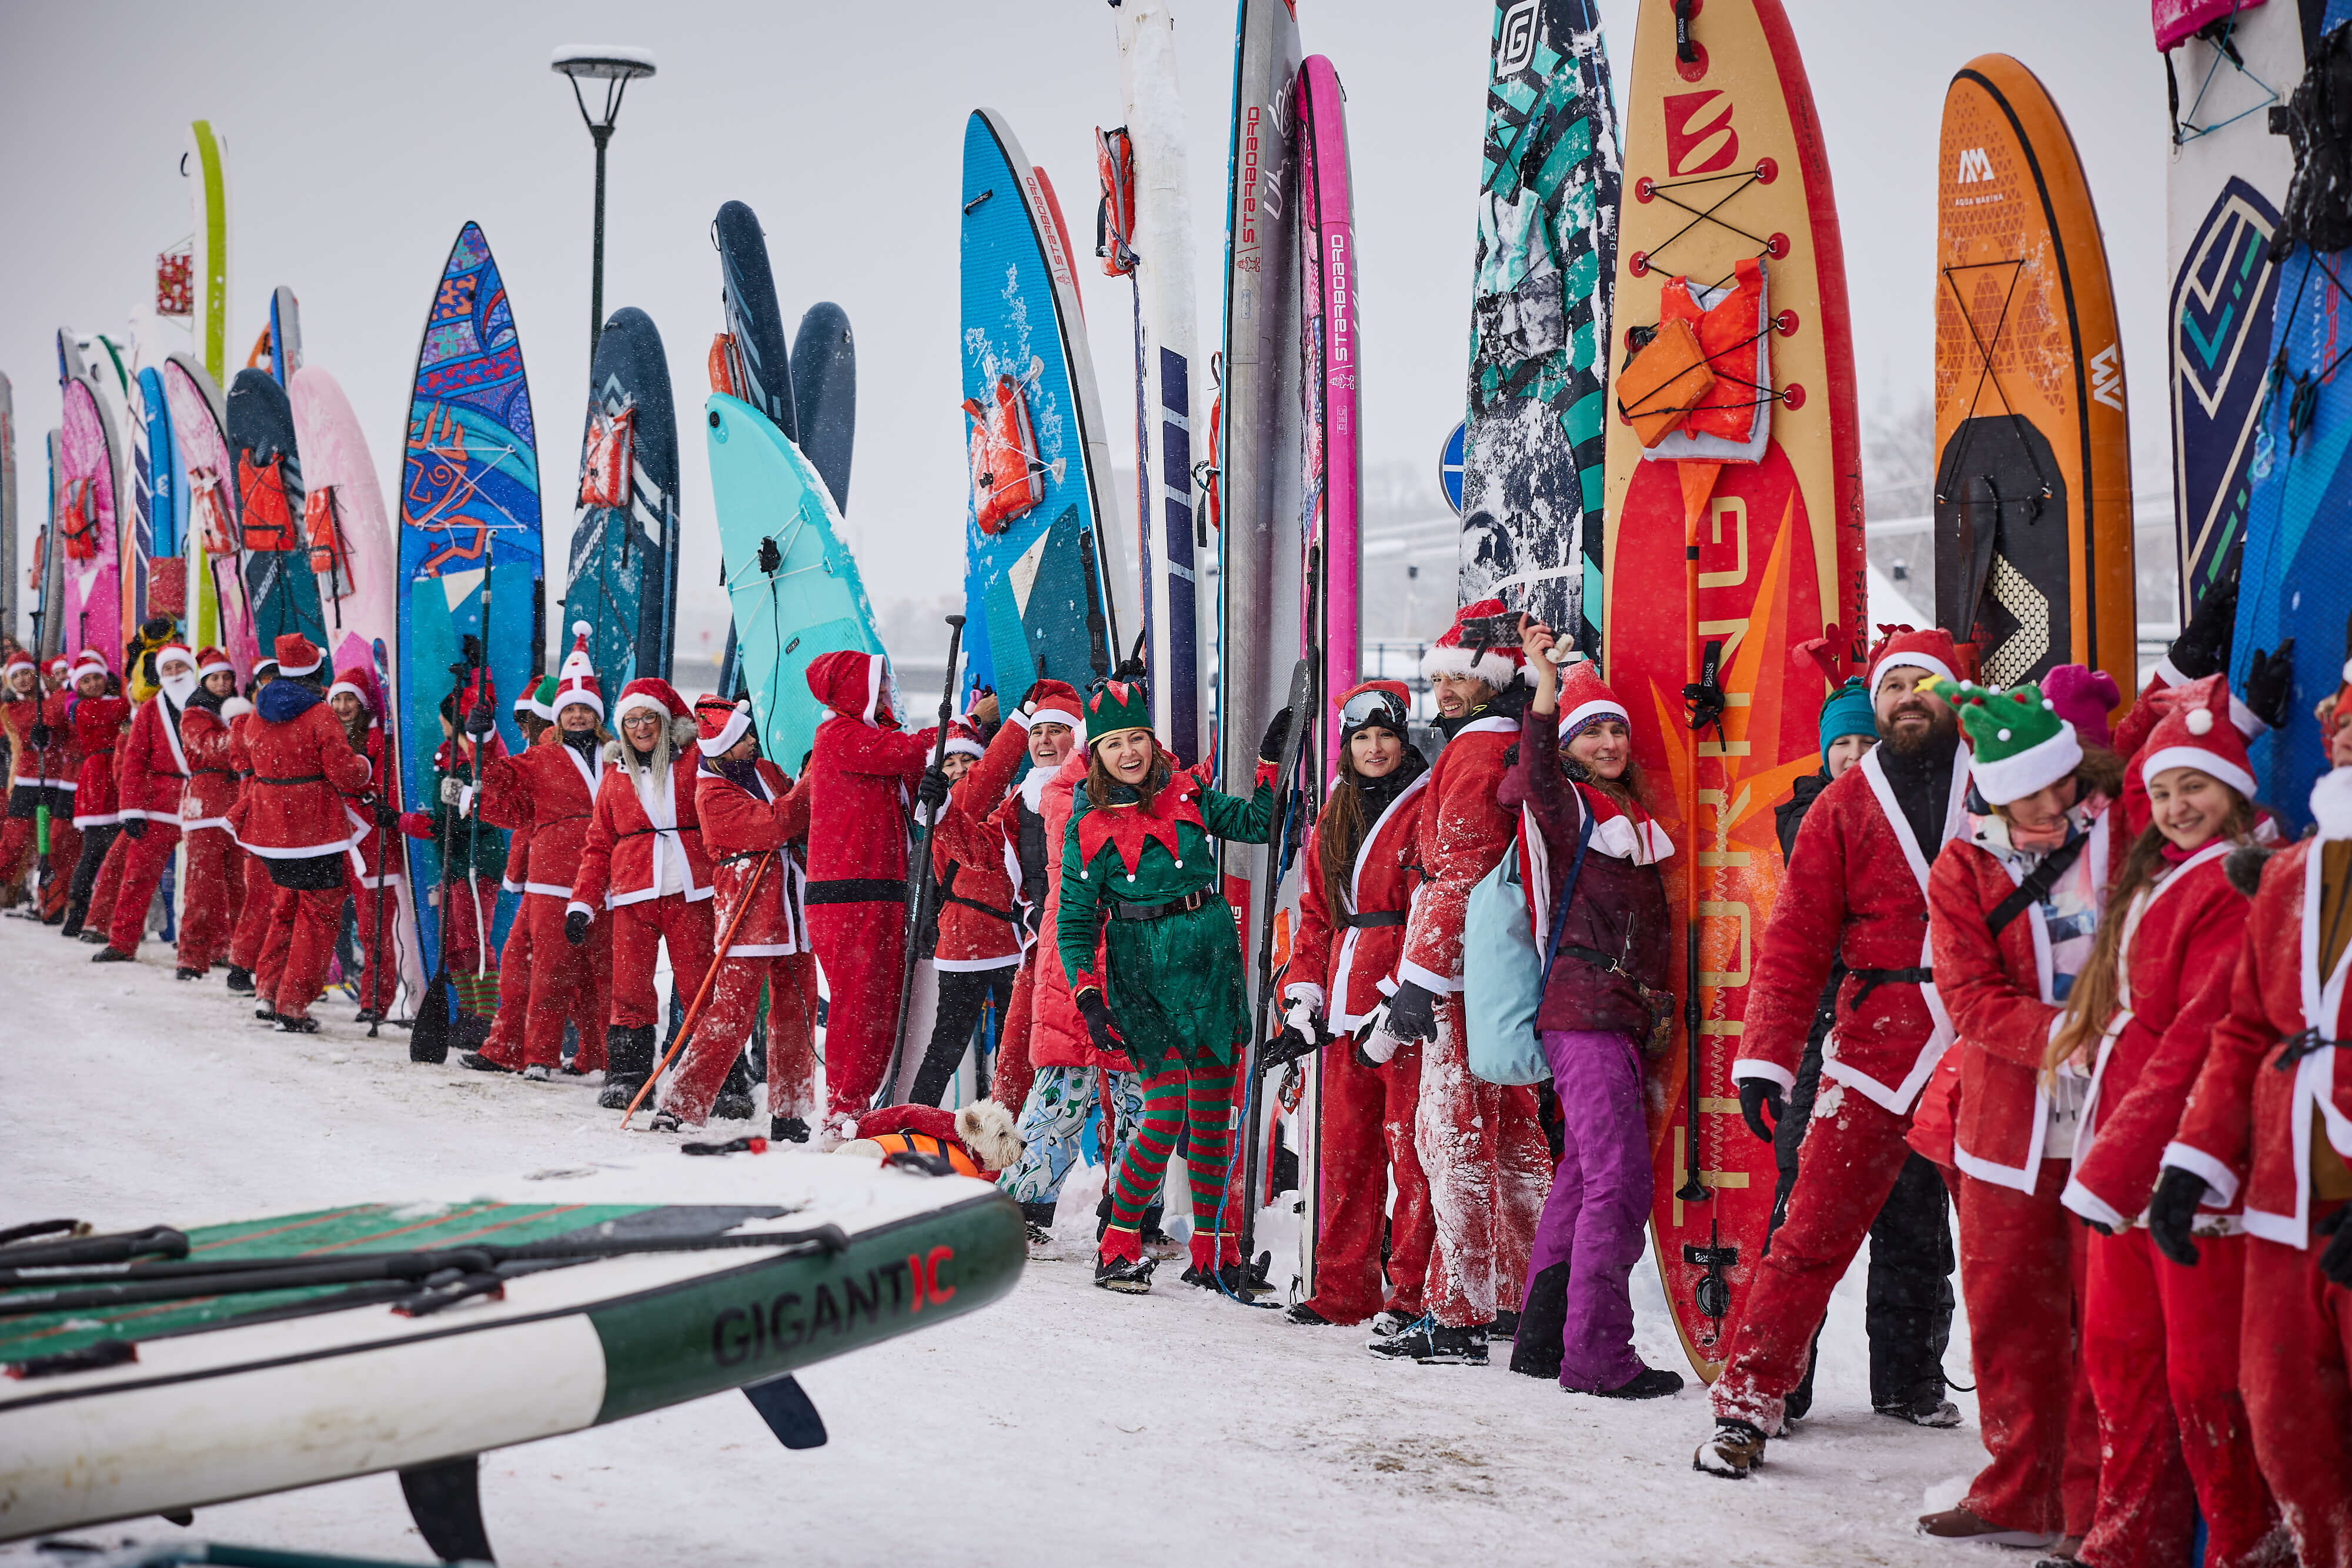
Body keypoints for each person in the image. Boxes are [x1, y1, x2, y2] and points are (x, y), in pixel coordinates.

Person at [1695, 626, 1970, 1477]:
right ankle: (1749, 1400)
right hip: (1871, 1042)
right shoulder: (1841, 805)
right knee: (1807, 1232)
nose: (1906, 699)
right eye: (1892, 687)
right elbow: (1795, 942)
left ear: (1955, 692)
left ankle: (2046, 1434)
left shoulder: (1999, 780)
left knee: (2013, 1248)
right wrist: (1767, 1056)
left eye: (1923, 683)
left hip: (1981, 1039)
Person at [2047, 675, 2278, 1568]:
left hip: (2189, 1160)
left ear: (2235, 791)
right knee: (2122, 1359)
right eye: (2168, 790)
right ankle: (2128, 1540)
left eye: (2199, 787)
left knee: (2201, 1379)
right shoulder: (2165, 869)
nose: (2176, 804)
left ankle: (2243, 1543)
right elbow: (2138, 779)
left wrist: (2120, 1162)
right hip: (2129, 1150)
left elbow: (2201, 1034)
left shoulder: (2232, 882)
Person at [2151, 675, 2352, 1568]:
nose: (2345, 740)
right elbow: (2243, 1027)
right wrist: (2192, 1161)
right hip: (2283, 1194)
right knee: (2283, 1419)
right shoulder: (2293, 872)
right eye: (2341, 728)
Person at [1763, 671, 1959, 1427]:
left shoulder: (1931, 798)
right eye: (1837, 743)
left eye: (1862, 741)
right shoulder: (1816, 813)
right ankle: (1784, 1380)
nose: (1850, 755)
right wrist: (1770, 1059)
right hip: (1828, 1042)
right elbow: (1793, 944)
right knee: (1803, 1215)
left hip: (1912, 1036)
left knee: (1916, 1216)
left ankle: (1908, 1381)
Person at [1495, 627, 1683, 1398]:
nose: (1607, 740)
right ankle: (1599, 1355)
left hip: (1612, 1015)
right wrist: (1545, 688)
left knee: (1582, 1176)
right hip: (1587, 1013)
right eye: (1592, 730)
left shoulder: (1624, 812)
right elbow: (1534, 771)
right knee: (1619, 1181)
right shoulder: (1570, 806)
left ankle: (1543, 1339)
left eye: (1614, 728)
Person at [1364, 598, 1551, 1365]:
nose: (1444, 689)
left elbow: (1459, 873)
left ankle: (1459, 1311)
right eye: (1438, 677)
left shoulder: (1475, 750)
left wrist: (1419, 978)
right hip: (1511, 967)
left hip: (1461, 973)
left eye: (1459, 677)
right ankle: (1523, 1291)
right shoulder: (1515, 739)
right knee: (1515, 1137)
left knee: (1454, 1139)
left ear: (1493, 677)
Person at [1059, 677, 1279, 1294]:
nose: (1128, 753)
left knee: (1213, 1112)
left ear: (1152, 742)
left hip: (1209, 960)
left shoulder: (1186, 792)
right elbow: (1073, 925)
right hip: (1142, 972)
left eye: (1136, 739)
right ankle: (1117, 1243)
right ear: (1095, 755)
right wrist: (1088, 997)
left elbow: (1258, 825)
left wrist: (1269, 763)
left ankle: (1214, 1253)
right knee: (1169, 1106)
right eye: (1113, 744)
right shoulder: (1086, 828)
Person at [1273, 678, 1436, 1332]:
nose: (1374, 748)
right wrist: (1302, 1001)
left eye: (1385, 735)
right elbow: (1315, 916)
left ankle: (1412, 1294)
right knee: (1344, 1157)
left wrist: (1396, 998)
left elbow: (1430, 913)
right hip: (1341, 1010)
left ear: (1403, 739)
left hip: (1405, 1013)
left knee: (1412, 1156)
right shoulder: (1334, 813)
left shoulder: (1427, 805)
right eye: (1361, 737)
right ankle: (1343, 1288)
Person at [982, 683, 1154, 1249]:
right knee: (1060, 1087)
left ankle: (1131, 1210)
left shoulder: (1130, 787)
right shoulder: (1055, 795)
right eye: (1039, 731)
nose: (1048, 741)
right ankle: (1025, 1203)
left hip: (1129, 948)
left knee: (1134, 1092)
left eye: (1060, 729)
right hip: (1072, 948)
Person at [652, 693, 817, 1133]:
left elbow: (796, 812)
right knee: (731, 1010)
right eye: (741, 738)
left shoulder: (763, 771)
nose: (751, 744)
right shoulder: (711, 793)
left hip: (792, 904)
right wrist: (811, 783)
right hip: (748, 905)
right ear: (719, 746)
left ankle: (790, 1110)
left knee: (796, 1008)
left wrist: (803, 776)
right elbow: (778, 822)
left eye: (750, 736)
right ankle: (681, 1104)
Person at [798, 650, 937, 1141]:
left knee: (875, 1005)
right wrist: (958, 728)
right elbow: (907, 753)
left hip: (874, 890)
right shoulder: (837, 736)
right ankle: (842, 1110)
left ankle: (854, 1109)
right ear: (851, 691)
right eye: (875, 688)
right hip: (850, 894)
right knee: (860, 1006)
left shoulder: (865, 738)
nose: (884, 696)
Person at [468, 634, 612, 1084]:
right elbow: (497, 779)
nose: (577, 715)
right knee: (541, 969)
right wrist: (486, 738)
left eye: (585, 708)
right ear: (559, 714)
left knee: (598, 977)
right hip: (552, 881)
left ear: (598, 714)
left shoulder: (617, 758)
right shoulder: (542, 757)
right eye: (570, 708)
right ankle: (537, 1054)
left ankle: (599, 1056)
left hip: (607, 882)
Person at [567, 677, 714, 1111]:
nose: (641, 727)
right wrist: (582, 903)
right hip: (633, 893)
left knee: (699, 987)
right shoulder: (614, 777)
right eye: (631, 720)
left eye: (649, 716)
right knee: (629, 989)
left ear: (666, 721)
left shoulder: (695, 762)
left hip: (692, 889)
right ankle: (628, 1077)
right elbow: (598, 843)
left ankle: (713, 1080)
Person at [230, 633, 375, 1032]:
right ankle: (293, 1003)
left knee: (285, 908)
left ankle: (267, 990)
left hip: (269, 828)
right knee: (320, 912)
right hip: (314, 828)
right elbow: (345, 773)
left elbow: (248, 753)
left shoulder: (258, 712)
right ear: (316, 670)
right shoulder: (319, 713)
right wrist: (364, 765)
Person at [910, 702, 1024, 1107]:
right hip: (964, 941)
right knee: (949, 1042)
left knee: (1013, 1045)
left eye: (967, 760)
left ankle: (1008, 1120)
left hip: (1010, 939)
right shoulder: (942, 811)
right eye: (950, 761)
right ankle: (917, 1117)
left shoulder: (1005, 806)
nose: (959, 769)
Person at [396, 674, 507, 1024]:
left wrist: (402, 822)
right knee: (454, 946)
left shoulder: (475, 760)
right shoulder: (445, 755)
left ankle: (485, 1019)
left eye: (443, 716)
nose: (438, 722)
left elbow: (458, 820)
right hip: (453, 859)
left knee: (474, 943)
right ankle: (468, 1012)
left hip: (476, 859)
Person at [91, 644, 200, 964]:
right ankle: (122, 942)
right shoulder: (151, 711)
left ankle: (216, 948)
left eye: (180, 667)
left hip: (203, 801)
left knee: (210, 880)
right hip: (158, 802)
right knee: (138, 876)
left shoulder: (209, 704)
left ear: (190, 669)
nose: (176, 674)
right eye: (169, 669)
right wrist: (132, 809)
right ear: (161, 675)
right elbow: (135, 761)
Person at [477, 673, 556, 1067]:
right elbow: (518, 814)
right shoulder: (538, 756)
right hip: (540, 877)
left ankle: (523, 1051)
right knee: (522, 964)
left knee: (532, 966)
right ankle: (509, 1048)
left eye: (528, 721)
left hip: (556, 881)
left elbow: (519, 808)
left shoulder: (546, 759)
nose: (523, 729)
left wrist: (486, 744)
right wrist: (477, 805)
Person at [326, 667, 403, 1021]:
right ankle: (312, 985)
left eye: (350, 699)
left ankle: (375, 1000)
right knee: (319, 918)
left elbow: (385, 788)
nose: (343, 707)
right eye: (337, 699)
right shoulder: (323, 738)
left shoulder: (378, 742)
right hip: (331, 839)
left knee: (375, 928)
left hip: (371, 841)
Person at [174, 647, 248, 979]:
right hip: (205, 805)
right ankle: (191, 958)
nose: (222, 683)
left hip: (237, 805)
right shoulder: (193, 714)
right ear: (205, 681)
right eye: (215, 678)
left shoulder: (238, 714)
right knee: (201, 886)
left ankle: (235, 954)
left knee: (240, 886)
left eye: (227, 677)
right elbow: (214, 749)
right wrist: (245, 732)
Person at [0, 650, 76, 920]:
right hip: (27, 780)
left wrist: (56, 688)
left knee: (50, 843)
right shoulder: (13, 708)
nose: (22, 679)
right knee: (15, 838)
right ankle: (6, 885)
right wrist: (57, 691)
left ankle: (48, 898)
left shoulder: (53, 701)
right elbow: (40, 719)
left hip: (56, 780)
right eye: (16, 676)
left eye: (26, 673)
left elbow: (56, 717)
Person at [59, 651, 129, 940]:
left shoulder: (114, 703)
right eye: (85, 681)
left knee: (114, 851)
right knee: (94, 852)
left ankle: (103, 915)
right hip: (99, 778)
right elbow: (117, 711)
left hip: (119, 773)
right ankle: (78, 913)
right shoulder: (85, 708)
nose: (92, 685)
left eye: (96, 678)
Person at [222, 657, 279, 994]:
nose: (272, 687)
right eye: (265, 681)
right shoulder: (247, 721)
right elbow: (244, 762)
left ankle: (263, 971)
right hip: (260, 816)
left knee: (279, 901)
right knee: (260, 897)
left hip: (283, 818)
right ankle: (241, 966)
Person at [838, 1100, 1025, 1178]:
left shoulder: (948, 1151)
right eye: (1002, 1135)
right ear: (973, 1130)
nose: (1018, 1141)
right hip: (866, 1161)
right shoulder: (958, 1169)